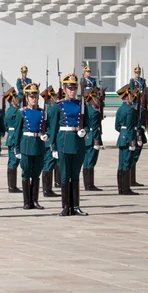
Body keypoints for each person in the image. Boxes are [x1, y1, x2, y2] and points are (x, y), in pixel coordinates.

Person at [49, 74, 89, 216]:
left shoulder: (82, 104)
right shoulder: (58, 106)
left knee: (75, 175)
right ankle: (66, 206)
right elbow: (53, 127)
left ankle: (76, 206)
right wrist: (53, 146)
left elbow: (87, 124)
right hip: (64, 141)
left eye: (74, 88)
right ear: (64, 89)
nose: (72, 90)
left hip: (78, 141)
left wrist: (85, 131)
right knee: (65, 175)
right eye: (70, 88)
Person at [14, 82, 46, 210]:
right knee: (26, 174)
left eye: (35, 96)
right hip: (26, 145)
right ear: (27, 98)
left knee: (36, 174)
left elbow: (47, 128)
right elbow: (17, 132)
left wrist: (46, 135)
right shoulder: (21, 113)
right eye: (31, 96)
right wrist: (16, 148)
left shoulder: (42, 112)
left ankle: (35, 200)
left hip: (38, 144)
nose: (34, 99)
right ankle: (27, 201)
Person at [115, 84, 139, 195]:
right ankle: (126, 188)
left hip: (122, 138)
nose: (133, 98)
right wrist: (132, 141)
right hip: (129, 137)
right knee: (127, 163)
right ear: (127, 96)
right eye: (131, 95)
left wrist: (123, 134)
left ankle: (120, 188)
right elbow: (130, 128)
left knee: (121, 163)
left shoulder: (120, 109)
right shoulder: (130, 110)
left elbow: (117, 126)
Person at [40, 86, 60, 198]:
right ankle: (47, 190)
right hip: (52, 140)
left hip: (47, 140)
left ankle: (47, 189)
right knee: (49, 164)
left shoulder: (46, 109)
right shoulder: (52, 108)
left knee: (48, 164)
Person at [82, 88, 103, 191]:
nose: (97, 99)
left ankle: (88, 184)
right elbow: (95, 127)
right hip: (92, 138)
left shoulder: (88, 109)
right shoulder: (93, 112)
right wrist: (96, 140)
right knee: (91, 161)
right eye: (95, 97)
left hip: (87, 138)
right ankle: (89, 184)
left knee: (86, 161)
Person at [3, 87, 22, 193]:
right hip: (14, 137)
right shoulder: (13, 111)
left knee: (14, 161)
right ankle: (12, 186)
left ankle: (12, 185)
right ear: (11, 99)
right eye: (15, 97)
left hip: (13, 135)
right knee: (13, 161)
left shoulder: (13, 110)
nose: (18, 99)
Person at [130, 89, 147, 187]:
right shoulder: (140, 109)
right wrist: (140, 137)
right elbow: (140, 124)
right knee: (134, 157)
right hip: (137, 135)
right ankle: (131, 180)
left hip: (131, 134)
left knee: (132, 157)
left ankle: (131, 179)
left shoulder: (131, 107)